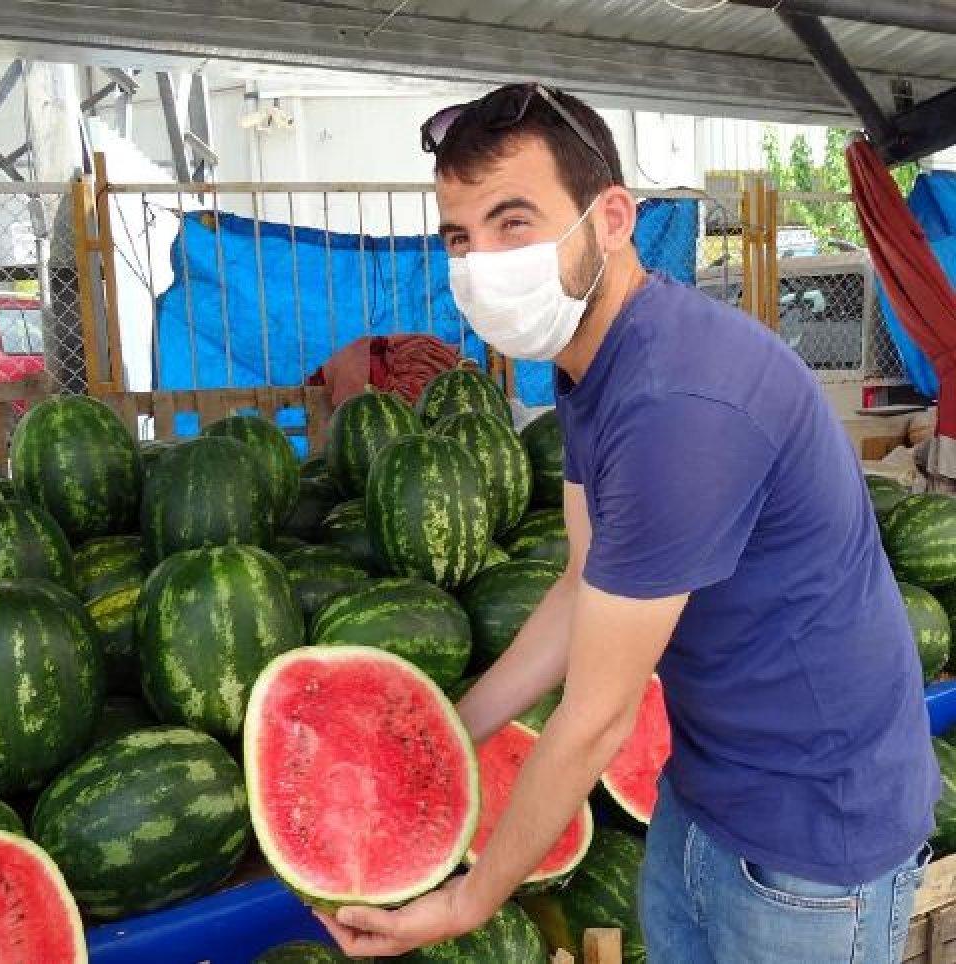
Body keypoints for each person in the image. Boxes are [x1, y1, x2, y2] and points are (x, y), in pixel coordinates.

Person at [316, 83, 939, 963]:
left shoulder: (678, 404)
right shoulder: (594, 358)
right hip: (709, 788)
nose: (480, 262)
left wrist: (469, 900)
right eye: (460, 236)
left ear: (611, 219)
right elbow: (580, 579)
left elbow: (598, 721)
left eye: (514, 222)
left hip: (813, 837)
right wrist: (453, 731)